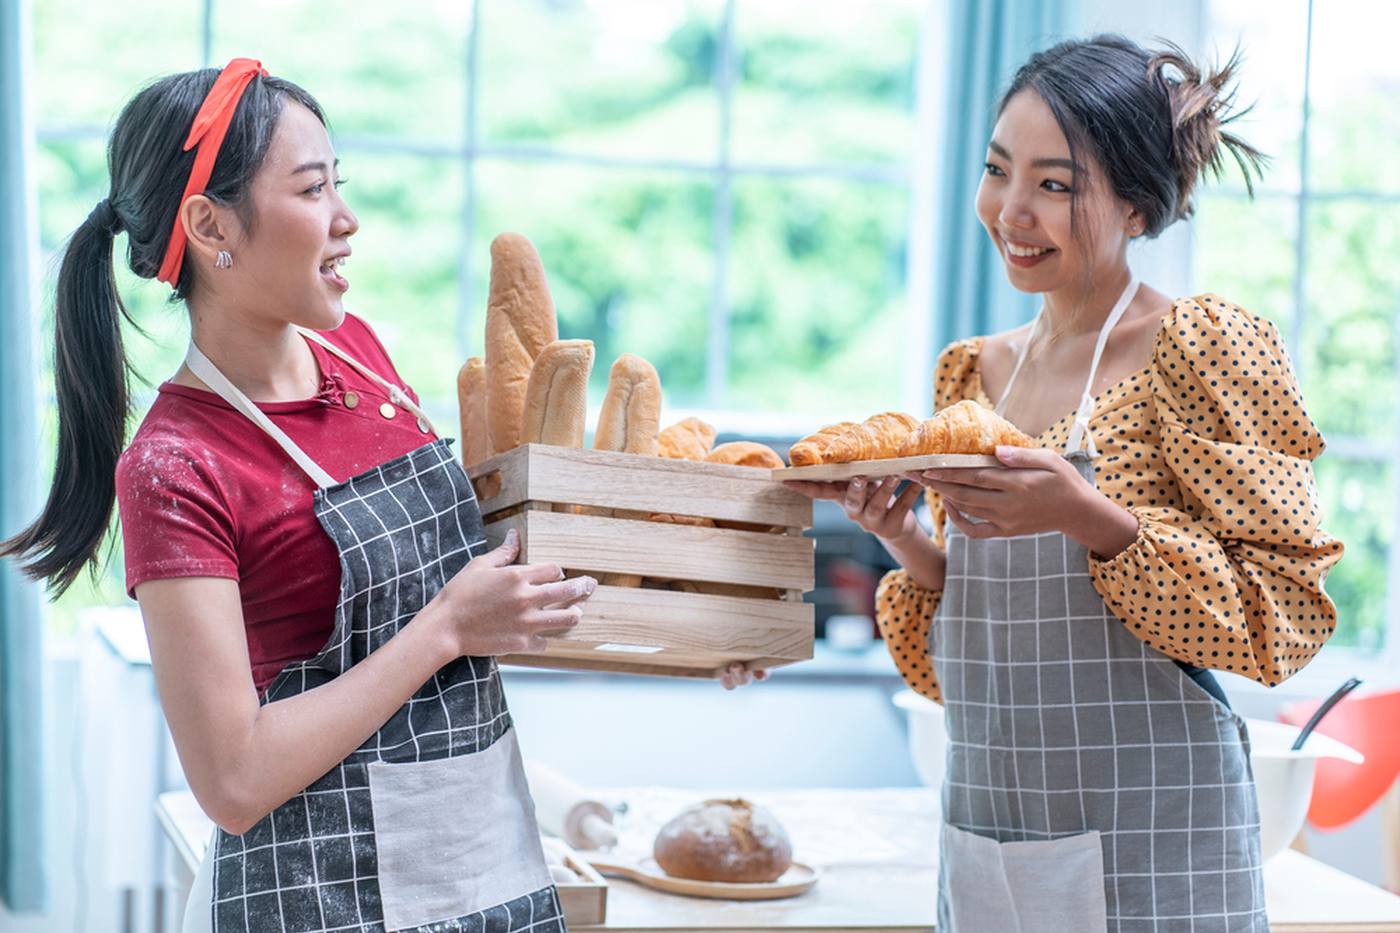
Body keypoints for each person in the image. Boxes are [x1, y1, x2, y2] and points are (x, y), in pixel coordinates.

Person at [1, 57, 721, 932]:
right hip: (315, 898)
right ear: (209, 224)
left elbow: (485, 596)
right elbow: (232, 781)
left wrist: (698, 627)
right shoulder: (175, 464)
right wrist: (444, 628)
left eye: (339, 184)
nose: (347, 220)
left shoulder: (361, 358)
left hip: (486, 881)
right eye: (312, 191)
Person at [786, 36, 1343, 932]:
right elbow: (972, 660)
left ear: (1134, 205)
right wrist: (903, 537)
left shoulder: (1200, 348)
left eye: (1056, 184)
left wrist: (1090, 517)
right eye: (998, 169)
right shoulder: (972, 374)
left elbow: (1280, 619)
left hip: (1159, 847)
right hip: (991, 834)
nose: (1011, 210)